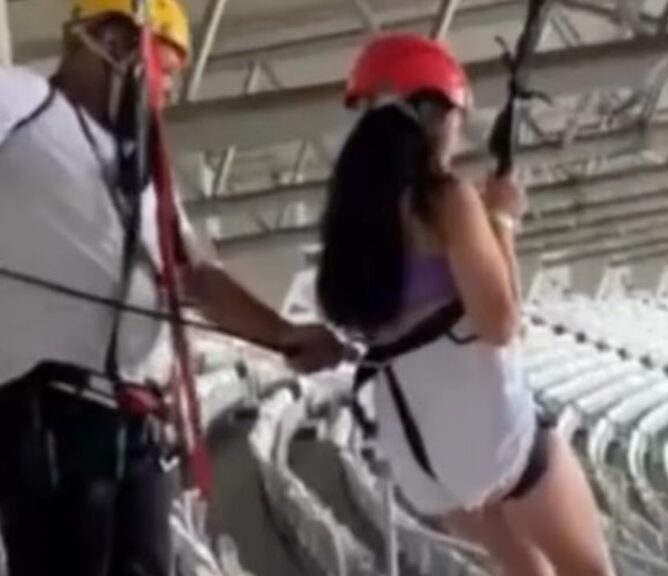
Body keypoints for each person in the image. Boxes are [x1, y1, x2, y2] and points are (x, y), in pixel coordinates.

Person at [0, 1, 350, 575]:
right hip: (51, 420)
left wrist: (282, 333)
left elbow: (194, 275)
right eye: (162, 72)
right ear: (112, 41)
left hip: (136, 430)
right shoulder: (19, 103)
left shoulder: (139, 172)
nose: (160, 96)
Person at [317, 34, 616, 576]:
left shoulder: (352, 220)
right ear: (430, 113)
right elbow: (501, 322)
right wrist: (501, 221)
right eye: (455, 116)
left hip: (422, 462)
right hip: (490, 434)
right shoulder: (446, 198)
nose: (458, 133)